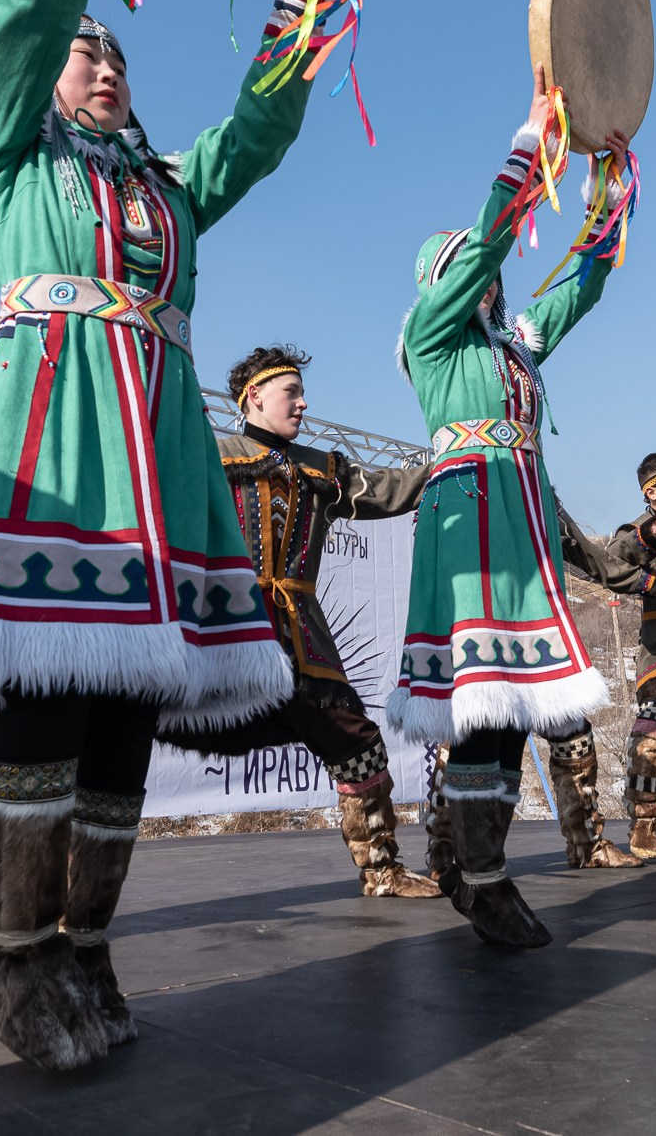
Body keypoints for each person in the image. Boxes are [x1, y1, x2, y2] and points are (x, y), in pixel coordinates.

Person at [0, 0, 353, 1069]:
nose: (101, 64)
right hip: (51, 440)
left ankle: (85, 945)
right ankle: (11, 949)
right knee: (44, 702)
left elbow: (263, 124)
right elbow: (27, 8)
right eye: (85, 52)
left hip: (160, 457)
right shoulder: (9, 156)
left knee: (124, 727)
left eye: (118, 55)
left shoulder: (171, 189)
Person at [387, 65, 631, 947]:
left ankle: (473, 865)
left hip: (521, 527)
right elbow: (492, 244)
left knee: (516, 705)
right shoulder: (432, 337)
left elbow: (579, 289)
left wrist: (608, 195)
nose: (489, 283)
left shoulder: (515, 349)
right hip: (471, 526)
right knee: (484, 711)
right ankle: (480, 876)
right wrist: (531, 146)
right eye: (469, 271)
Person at [156, 345, 439, 898]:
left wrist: (451, 461)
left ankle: (382, 870)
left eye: (303, 394)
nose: (303, 403)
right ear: (254, 397)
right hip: (224, 631)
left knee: (357, 742)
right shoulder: (211, 456)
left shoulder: (321, 469)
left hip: (301, 636)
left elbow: (388, 490)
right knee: (118, 733)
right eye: (292, 393)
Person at [558, 453, 656, 863]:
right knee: (654, 735)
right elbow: (613, 562)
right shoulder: (639, 531)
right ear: (651, 493)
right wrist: (647, 538)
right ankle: (644, 823)